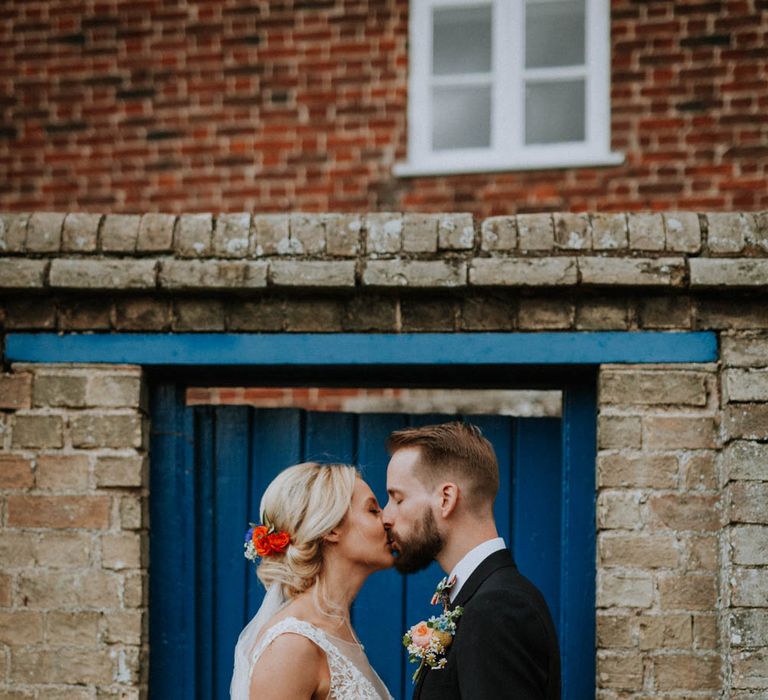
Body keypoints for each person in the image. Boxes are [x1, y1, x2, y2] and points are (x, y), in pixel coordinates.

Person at [383, 422, 561, 700]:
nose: (386, 516)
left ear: (446, 499)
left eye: (397, 498)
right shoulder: (482, 597)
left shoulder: (498, 608)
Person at [230, 461, 395, 700]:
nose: (387, 520)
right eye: (373, 510)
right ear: (331, 529)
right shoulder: (292, 645)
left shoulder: (337, 627)